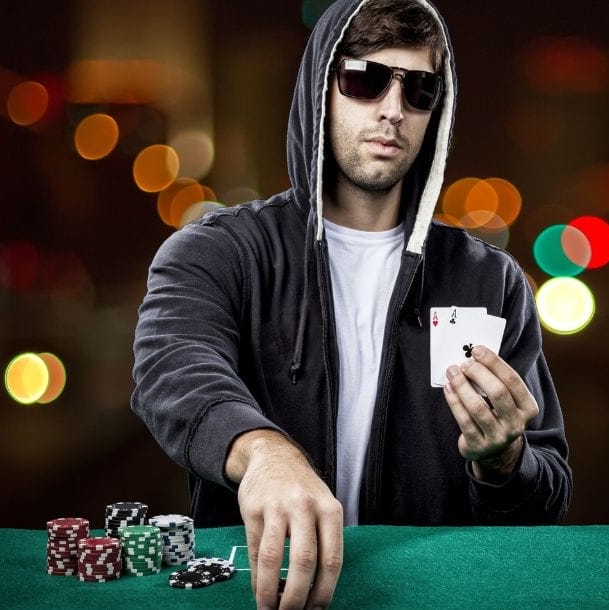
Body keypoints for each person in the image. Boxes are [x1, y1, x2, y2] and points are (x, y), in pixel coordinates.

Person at [131, 0, 572, 607]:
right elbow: (171, 366)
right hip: (265, 596)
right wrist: (263, 452)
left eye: (420, 90)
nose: (393, 109)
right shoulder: (221, 251)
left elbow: (546, 496)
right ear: (322, 90)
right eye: (365, 80)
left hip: (429, 599)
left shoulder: (491, 281)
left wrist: (503, 463)